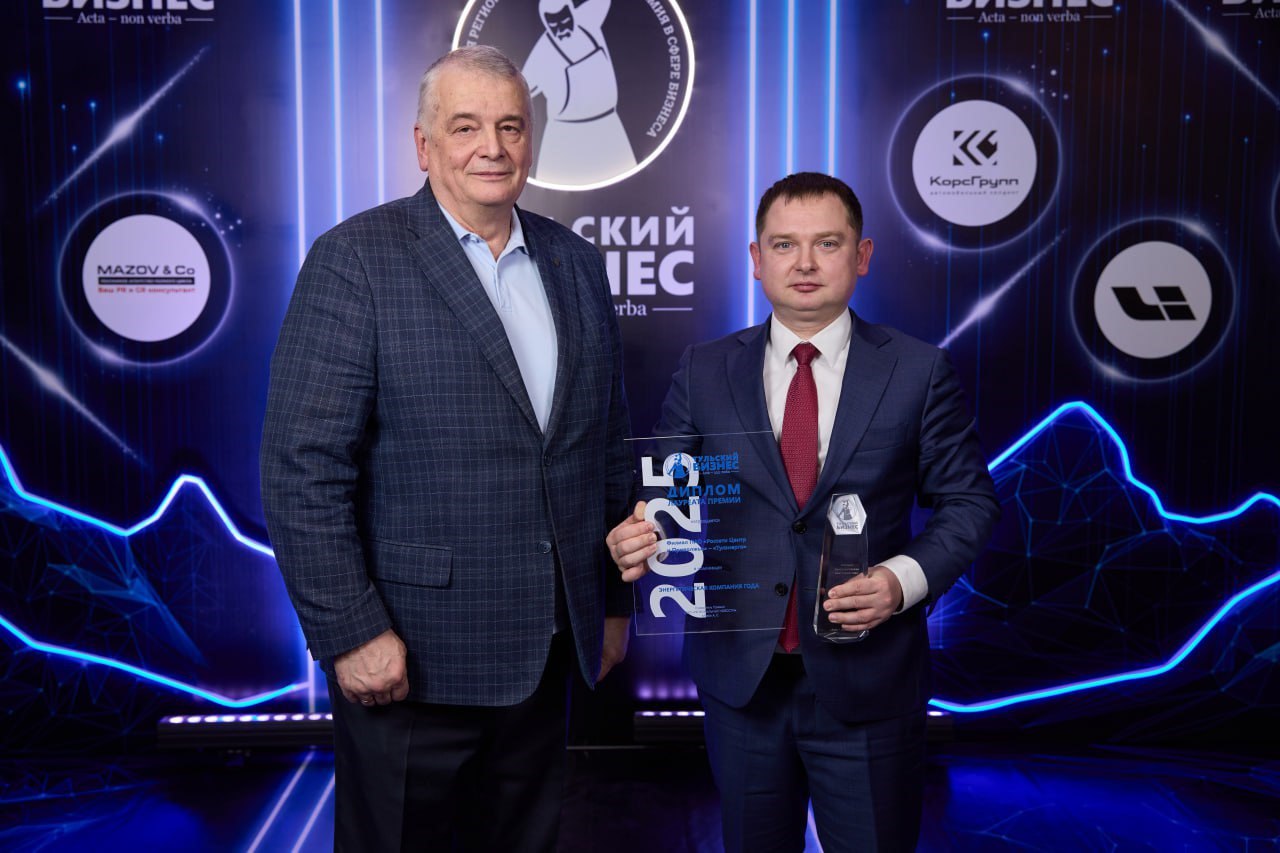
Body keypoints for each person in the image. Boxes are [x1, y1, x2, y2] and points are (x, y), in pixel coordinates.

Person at [261, 45, 633, 852]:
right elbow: (302, 469)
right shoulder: (355, 259)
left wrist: (608, 603)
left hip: (547, 649)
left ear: (531, 140)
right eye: (465, 127)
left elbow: (604, 445)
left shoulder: (576, 263)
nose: (491, 147)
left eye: (510, 126)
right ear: (424, 145)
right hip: (411, 655)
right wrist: (350, 630)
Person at [607, 173, 1000, 852]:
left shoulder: (918, 370)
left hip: (871, 680)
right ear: (757, 259)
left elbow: (969, 502)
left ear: (862, 255)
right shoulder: (704, 370)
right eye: (785, 244)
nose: (806, 263)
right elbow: (670, 492)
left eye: (828, 243)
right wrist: (640, 533)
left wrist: (900, 580)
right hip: (742, 681)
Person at [522, 0, 636, 184]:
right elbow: (518, 90)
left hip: (609, 127)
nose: (561, 29)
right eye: (554, 26)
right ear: (546, 24)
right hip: (566, 137)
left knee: (629, 186)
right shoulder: (542, 53)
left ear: (572, 13)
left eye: (565, 21)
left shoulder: (587, 20)